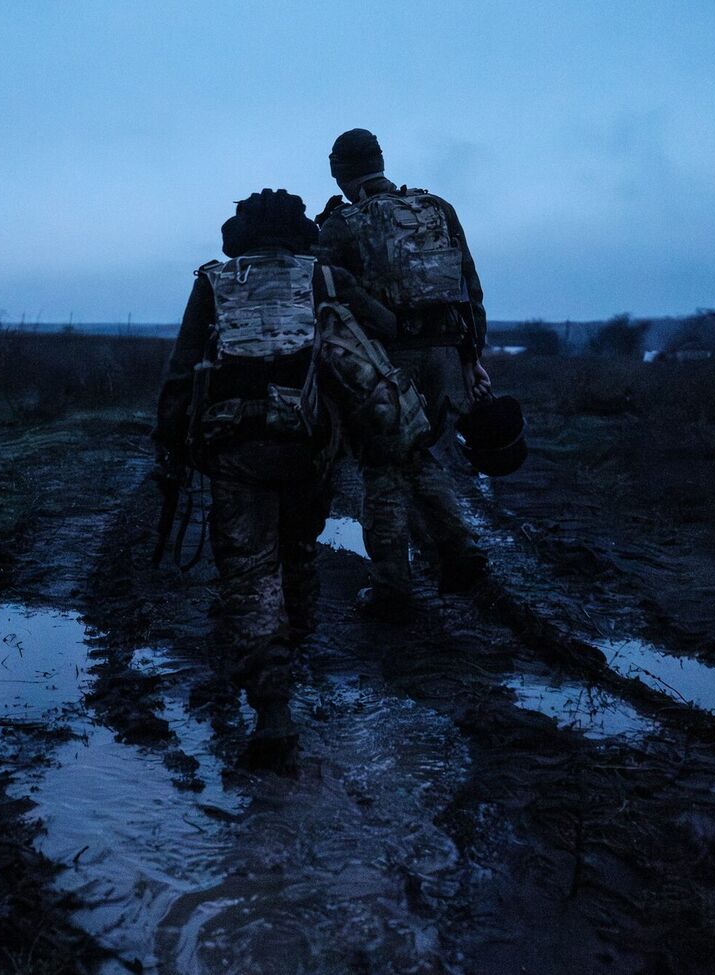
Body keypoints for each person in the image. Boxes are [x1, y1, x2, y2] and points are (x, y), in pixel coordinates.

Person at [153, 188, 381, 768]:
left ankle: (273, 706)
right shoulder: (325, 278)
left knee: (250, 569)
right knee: (298, 549)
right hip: (309, 446)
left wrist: (169, 446)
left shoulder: (213, 281)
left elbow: (181, 371)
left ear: (242, 233)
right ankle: (292, 652)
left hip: (236, 447)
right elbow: (384, 327)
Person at [315, 128, 492, 621]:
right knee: (418, 456)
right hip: (445, 359)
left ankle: (393, 587)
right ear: (381, 161)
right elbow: (470, 288)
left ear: (338, 172)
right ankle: (461, 554)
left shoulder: (344, 222)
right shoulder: (437, 208)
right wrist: (471, 358)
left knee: (382, 470)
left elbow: (321, 291)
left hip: (387, 366)